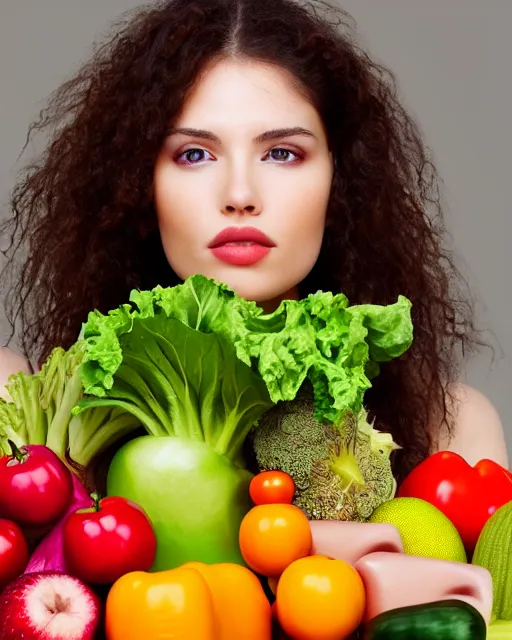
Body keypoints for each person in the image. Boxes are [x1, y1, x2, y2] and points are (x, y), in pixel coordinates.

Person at [0, 0, 508, 497]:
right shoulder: (26, 421)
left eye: (282, 153)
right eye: (194, 154)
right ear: (137, 185)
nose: (240, 195)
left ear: (341, 179)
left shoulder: (452, 432)